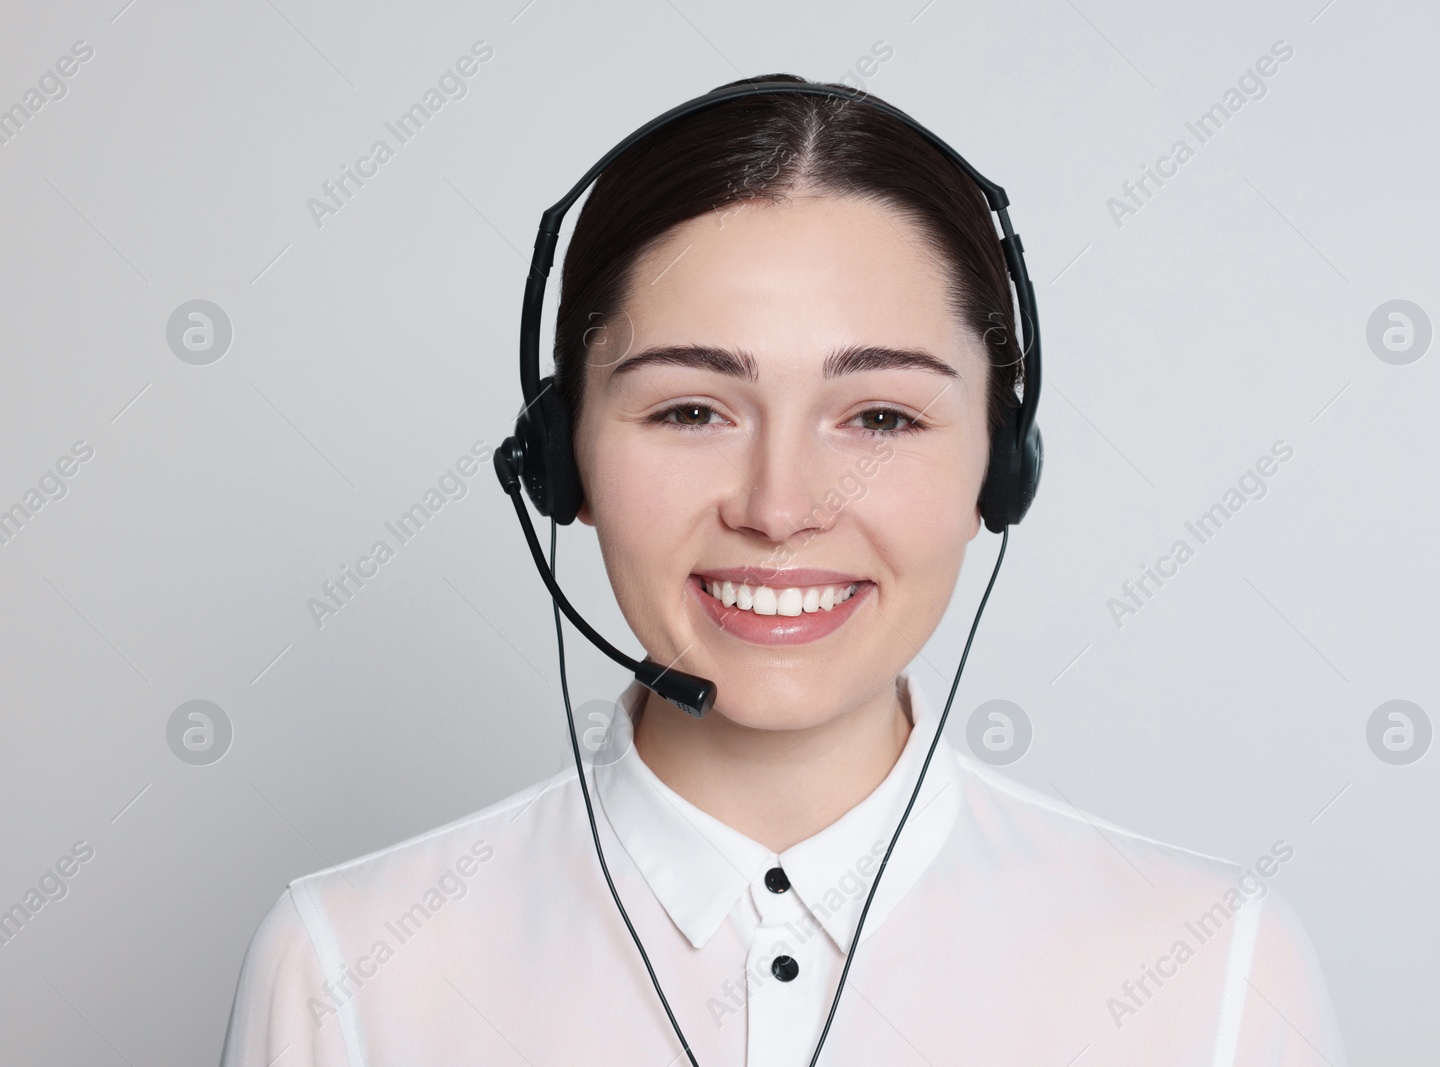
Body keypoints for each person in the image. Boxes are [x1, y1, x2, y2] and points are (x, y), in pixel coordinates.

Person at [219, 74, 1347, 1066]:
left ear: (999, 466)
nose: (778, 507)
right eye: (693, 407)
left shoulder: (1213, 967)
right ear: (563, 458)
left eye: (880, 415)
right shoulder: (350, 966)